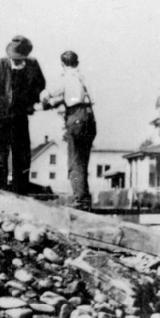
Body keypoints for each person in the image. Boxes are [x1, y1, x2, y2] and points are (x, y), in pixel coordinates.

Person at [0, 35, 46, 194]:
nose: (17, 61)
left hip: (19, 117)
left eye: (20, 59)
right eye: (14, 58)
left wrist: (33, 102)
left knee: (22, 157)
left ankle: (20, 192)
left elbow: (40, 85)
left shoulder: (33, 65)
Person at [40, 50, 97, 210]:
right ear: (77, 63)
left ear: (63, 65)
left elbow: (47, 94)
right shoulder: (83, 77)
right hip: (90, 118)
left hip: (76, 118)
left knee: (75, 161)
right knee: (83, 160)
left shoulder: (65, 78)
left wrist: (44, 101)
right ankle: (84, 197)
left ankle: (81, 200)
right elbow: (75, 97)